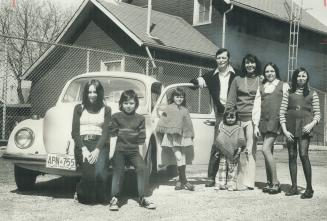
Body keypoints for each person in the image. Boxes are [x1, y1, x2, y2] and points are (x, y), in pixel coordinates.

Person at [190, 48, 236, 187]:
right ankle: (211, 176)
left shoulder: (236, 74)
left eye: (224, 58)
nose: (221, 60)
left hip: (235, 113)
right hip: (221, 114)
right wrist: (197, 80)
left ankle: (232, 177)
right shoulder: (211, 75)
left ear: (228, 59)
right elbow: (193, 84)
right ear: (216, 60)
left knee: (234, 145)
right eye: (219, 58)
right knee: (217, 144)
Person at [108, 90, 156, 211]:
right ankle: (114, 198)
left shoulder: (140, 119)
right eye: (125, 103)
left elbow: (140, 140)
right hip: (119, 150)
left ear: (136, 104)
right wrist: (111, 154)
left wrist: (140, 158)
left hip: (133, 151)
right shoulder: (116, 117)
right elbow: (113, 136)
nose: (128, 106)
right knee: (118, 170)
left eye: (131, 103)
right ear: (121, 104)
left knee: (142, 168)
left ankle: (142, 197)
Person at [279, 67, 320, 199]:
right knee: (292, 155)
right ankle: (294, 187)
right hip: (290, 127)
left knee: (303, 155)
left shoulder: (312, 93)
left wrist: (311, 124)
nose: (301, 78)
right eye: (298, 76)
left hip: (305, 128)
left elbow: (318, 114)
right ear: (295, 78)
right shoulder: (288, 93)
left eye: (303, 76)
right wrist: (285, 130)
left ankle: (309, 188)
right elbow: (282, 112)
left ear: (307, 78)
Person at [71, 79, 111, 204]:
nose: (92, 95)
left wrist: (97, 150)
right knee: (88, 193)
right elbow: (75, 132)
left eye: (95, 92)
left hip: (100, 145)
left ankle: (100, 191)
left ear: (99, 93)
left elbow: (106, 132)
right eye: (89, 92)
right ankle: (80, 190)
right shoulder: (79, 108)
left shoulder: (106, 109)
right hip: (83, 145)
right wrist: (83, 149)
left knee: (99, 175)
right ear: (85, 93)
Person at [253, 63, 289, 194]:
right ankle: (269, 182)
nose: (269, 73)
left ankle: (275, 182)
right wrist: (256, 125)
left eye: (272, 71)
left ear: (276, 72)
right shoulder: (261, 87)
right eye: (267, 71)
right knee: (269, 152)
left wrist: (283, 123)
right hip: (263, 122)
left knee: (265, 149)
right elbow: (257, 107)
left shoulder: (283, 85)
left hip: (276, 121)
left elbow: (287, 104)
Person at [226, 53, 261, 190]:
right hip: (239, 120)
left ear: (256, 64)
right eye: (247, 62)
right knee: (238, 150)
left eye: (252, 62)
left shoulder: (261, 80)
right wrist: (228, 120)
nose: (249, 65)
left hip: (253, 121)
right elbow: (230, 100)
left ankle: (249, 182)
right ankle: (237, 180)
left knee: (250, 150)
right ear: (244, 64)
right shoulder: (237, 80)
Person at [156, 87, 195, 191]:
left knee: (183, 157)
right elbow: (163, 121)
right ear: (173, 97)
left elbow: (188, 124)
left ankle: (180, 181)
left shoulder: (184, 110)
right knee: (178, 157)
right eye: (177, 96)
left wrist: (189, 134)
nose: (179, 99)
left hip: (182, 137)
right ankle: (185, 180)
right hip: (172, 136)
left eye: (181, 97)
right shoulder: (169, 108)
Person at [214, 108, 246, 191]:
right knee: (222, 168)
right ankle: (220, 184)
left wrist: (239, 149)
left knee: (232, 168)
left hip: (234, 152)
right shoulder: (223, 127)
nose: (230, 119)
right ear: (225, 118)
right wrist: (218, 150)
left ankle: (231, 185)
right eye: (228, 118)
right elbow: (220, 139)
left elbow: (241, 139)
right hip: (223, 152)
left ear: (236, 118)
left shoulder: (239, 128)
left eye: (232, 117)